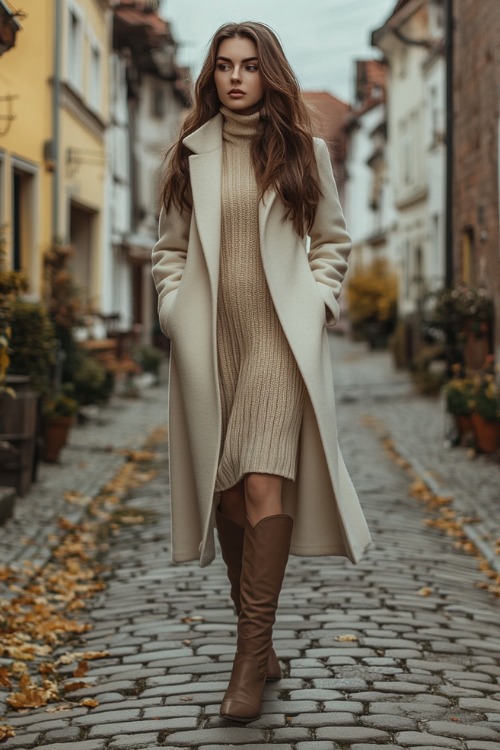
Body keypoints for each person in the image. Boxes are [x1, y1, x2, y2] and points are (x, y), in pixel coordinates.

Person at [152, 21, 371, 723]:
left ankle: (247, 663)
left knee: (262, 479)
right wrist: (172, 311)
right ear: (211, 76)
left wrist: (319, 299)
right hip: (211, 342)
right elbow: (170, 250)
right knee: (226, 497)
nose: (237, 77)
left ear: (268, 73)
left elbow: (332, 240)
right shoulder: (190, 156)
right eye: (224, 66)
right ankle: (266, 642)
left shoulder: (303, 151)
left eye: (249, 65)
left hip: (280, 338)